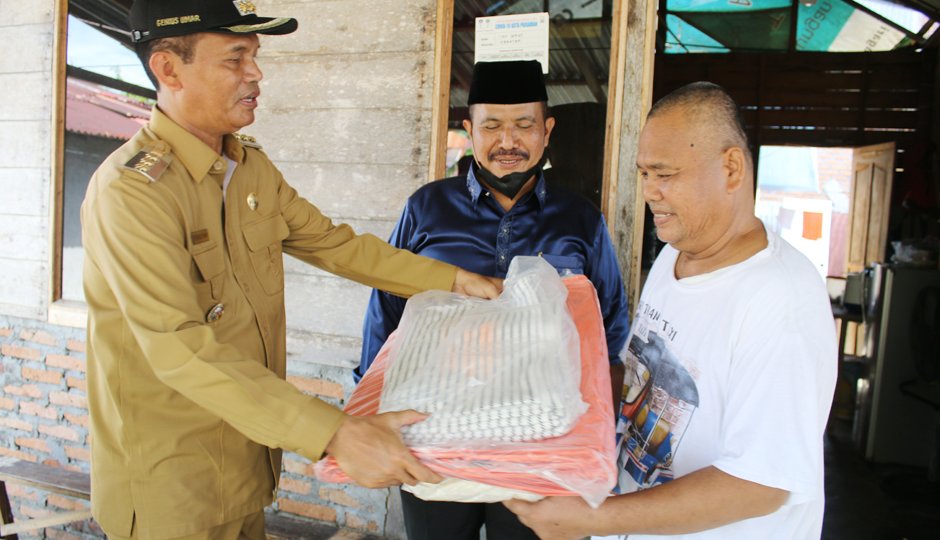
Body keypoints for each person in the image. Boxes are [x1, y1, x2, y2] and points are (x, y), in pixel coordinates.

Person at [80, 2, 501, 539]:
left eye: (254, 57)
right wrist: (337, 434)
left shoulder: (249, 167)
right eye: (236, 58)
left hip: (246, 461)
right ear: (169, 69)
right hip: (171, 485)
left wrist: (457, 282)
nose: (256, 74)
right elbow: (179, 347)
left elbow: (335, 245)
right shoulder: (133, 192)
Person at [505, 82, 838, 539]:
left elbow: (762, 483)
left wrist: (591, 520)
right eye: (644, 174)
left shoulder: (780, 299)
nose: (649, 192)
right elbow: (642, 377)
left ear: (731, 169)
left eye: (665, 174)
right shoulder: (674, 255)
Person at [357, 60, 631, 540]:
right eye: (492, 126)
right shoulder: (427, 206)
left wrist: (594, 437)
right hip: (433, 432)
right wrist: (369, 414)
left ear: (547, 131)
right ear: (468, 129)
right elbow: (387, 310)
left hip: (541, 438)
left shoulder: (580, 219)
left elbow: (609, 328)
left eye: (524, 125)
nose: (508, 142)